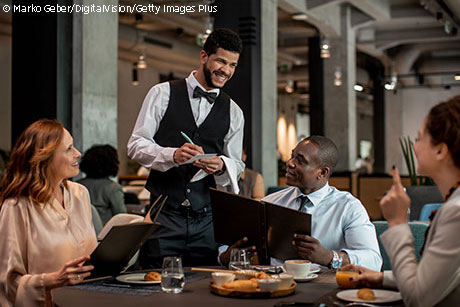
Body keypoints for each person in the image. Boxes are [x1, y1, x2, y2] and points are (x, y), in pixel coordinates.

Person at [127, 28, 245, 268]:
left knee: (204, 288)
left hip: (207, 219)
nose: (226, 70)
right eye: (221, 61)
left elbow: (237, 164)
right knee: (155, 283)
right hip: (164, 215)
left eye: (232, 65)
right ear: (204, 56)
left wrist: (222, 165)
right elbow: (135, 145)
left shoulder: (234, 111)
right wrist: (172, 155)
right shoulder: (161, 94)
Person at [343, 96, 460, 307]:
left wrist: (397, 222)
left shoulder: (456, 212)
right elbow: (435, 279)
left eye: (419, 139)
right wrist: (381, 278)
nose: (414, 148)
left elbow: (418, 298)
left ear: (440, 150)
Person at [220, 136, 382, 271]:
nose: (290, 163)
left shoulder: (348, 207)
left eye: (300, 160)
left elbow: (374, 261)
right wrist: (225, 256)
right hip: (274, 286)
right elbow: (227, 248)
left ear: (322, 172)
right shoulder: (269, 202)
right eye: (292, 156)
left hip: (324, 290)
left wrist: (328, 257)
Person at [0, 119, 96, 306]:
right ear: (45, 157)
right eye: (69, 149)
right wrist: (51, 280)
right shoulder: (16, 207)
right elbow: (7, 284)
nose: (78, 154)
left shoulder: (80, 194)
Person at [78, 144, 127, 225]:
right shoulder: (113, 188)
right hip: (105, 233)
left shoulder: (76, 185)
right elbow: (122, 217)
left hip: (80, 232)